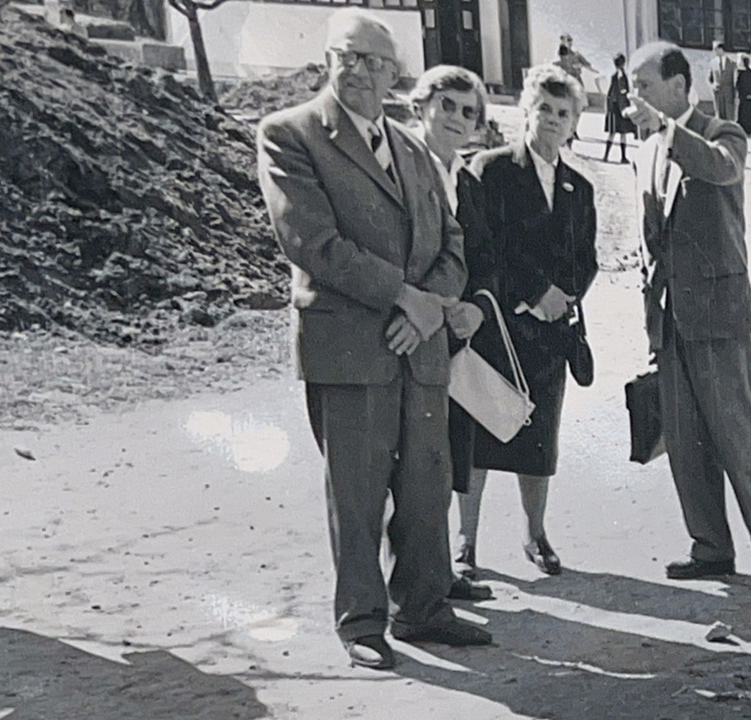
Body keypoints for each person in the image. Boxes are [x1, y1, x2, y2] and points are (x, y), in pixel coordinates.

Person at [256, 9, 491, 671]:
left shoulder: (412, 147)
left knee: (425, 484)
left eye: (373, 61)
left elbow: (451, 243)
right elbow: (311, 241)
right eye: (346, 56)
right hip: (352, 348)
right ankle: (362, 622)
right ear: (327, 60)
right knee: (356, 493)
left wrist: (430, 307)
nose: (358, 70)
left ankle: (425, 607)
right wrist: (406, 296)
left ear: (395, 73)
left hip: (418, 346)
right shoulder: (290, 134)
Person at [623, 41, 751, 585]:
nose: (636, 96)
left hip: (720, 314)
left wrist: (669, 132)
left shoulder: (725, 133)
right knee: (685, 441)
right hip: (671, 316)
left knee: (740, 435)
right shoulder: (648, 150)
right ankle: (710, 547)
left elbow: (721, 170)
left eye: (644, 84)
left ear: (679, 85)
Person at [455, 64, 599, 579]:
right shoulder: (489, 169)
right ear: (525, 111)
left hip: (549, 334)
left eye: (565, 113)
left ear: (575, 121)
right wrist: (534, 293)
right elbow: (485, 244)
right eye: (545, 109)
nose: (554, 121)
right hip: (498, 323)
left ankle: (535, 535)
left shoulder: (578, 188)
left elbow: (587, 257)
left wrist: (564, 297)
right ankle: (465, 542)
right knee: (479, 434)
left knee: (539, 442)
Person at [406, 64, 499, 604]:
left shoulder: (467, 179)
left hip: (455, 339)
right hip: (408, 332)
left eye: (469, 112)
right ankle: (417, 585)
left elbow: (482, 258)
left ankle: (438, 575)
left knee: (440, 462)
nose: (457, 120)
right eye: (447, 106)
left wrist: (477, 311)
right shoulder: (400, 165)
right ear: (421, 106)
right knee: (410, 466)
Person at [598, 52, 636, 164]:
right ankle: (622, 157)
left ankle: (606, 155)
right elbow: (622, 89)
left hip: (614, 105)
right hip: (620, 106)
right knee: (622, 133)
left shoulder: (615, 74)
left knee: (613, 132)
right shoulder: (621, 74)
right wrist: (625, 94)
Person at [708, 41, 736, 121]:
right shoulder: (713, 63)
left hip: (728, 93)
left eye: (716, 49)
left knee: (729, 115)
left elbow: (735, 80)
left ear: (721, 49)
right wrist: (713, 86)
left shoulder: (732, 63)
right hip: (718, 93)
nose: (714, 51)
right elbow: (710, 78)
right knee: (719, 116)